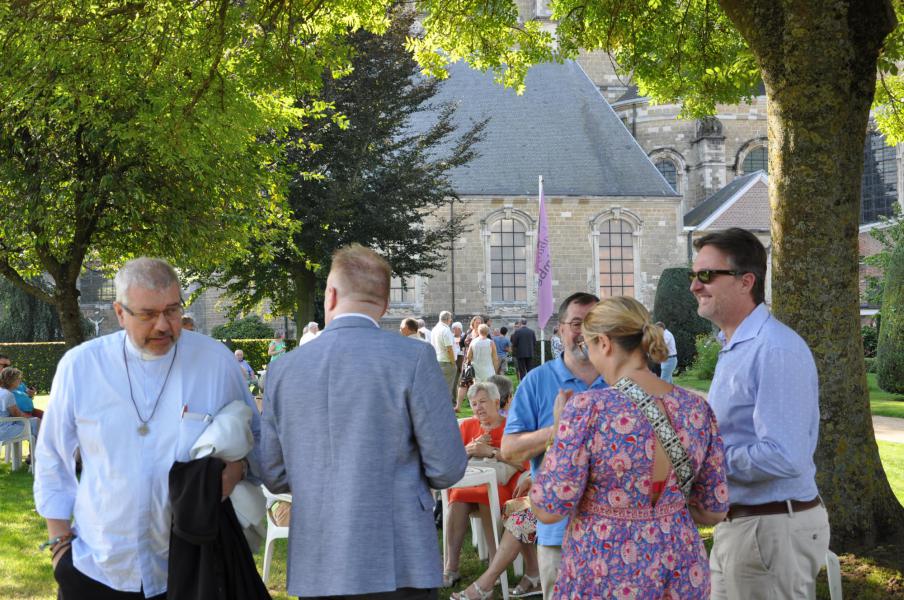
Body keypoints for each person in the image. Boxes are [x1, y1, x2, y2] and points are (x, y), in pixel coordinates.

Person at [33, 257, 258, 599]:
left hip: (190, 568)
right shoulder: (81, 366)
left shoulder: (216, 362)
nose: (164, 325)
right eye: (148, 314)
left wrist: (238, 469)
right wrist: (59, 545)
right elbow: (52, 457)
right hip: (98, 566)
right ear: (120, 313)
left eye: (172, 310)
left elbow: (255, 439)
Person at [260, 244, 467, 599]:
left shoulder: (283, 369)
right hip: (398, 553)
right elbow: (447, 466)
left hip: (318, 557)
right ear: (385, 304)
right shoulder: (413, 357)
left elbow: (273, 472)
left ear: (330, 295)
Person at [529, 296, 729, 598]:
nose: (588, 354)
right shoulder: (696, 409)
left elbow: (548, 508)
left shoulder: (589, 409)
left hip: (605, 566)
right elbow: (713, 510)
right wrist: (664, 510)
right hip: (681, 565)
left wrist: (558, 432)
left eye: (587, 345)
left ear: (605, 343)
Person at [690, 228, 830, 599]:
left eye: (706, 275)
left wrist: (704, 461)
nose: (694, 286)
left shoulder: (775, 350)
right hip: (744, 528)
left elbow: (784, 456)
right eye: (693, 275)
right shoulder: (736, 345)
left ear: (745, 281)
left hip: (770, 530)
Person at [501, 292, 604, 600]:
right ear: (560, 329)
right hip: (559, 533)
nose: (585, 331)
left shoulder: (621, 381)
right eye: (576, 323)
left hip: (618, 532)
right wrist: (556, 430)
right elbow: (509, 451)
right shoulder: (536, 381)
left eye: (594, 323)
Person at [443, 382, 527, 589]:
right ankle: (451, 567)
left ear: (496, 402)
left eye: (482, 402)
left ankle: (493, 567)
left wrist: (491, 452)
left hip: (506, 486)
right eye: (473, 404)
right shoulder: (467, 426)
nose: (477, 408)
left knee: (485, 494)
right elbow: (448, 462)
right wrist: (469, 450)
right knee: (457, 497)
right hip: (471, 485)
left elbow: (523, 463)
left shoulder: (512, 426)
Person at [0, 366, 39, 444]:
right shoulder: (8, 394)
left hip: (5, 426)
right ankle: (37, 453)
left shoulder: (2, 391)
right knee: (36, 422)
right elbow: (17, 414)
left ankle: (33, 453)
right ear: (12, 381)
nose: (20, 381)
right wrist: (33, 418)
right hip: (5, 430)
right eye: (18, 379)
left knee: (34, 422)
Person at [431, 310, 458, 401]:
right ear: (447, 319)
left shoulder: (435, 329)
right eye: (450, 319)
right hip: (446, 362)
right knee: (447, 389)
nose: (451, 321)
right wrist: (453, 362)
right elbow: (449, 349)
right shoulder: (445, 330)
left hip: (437, 361)